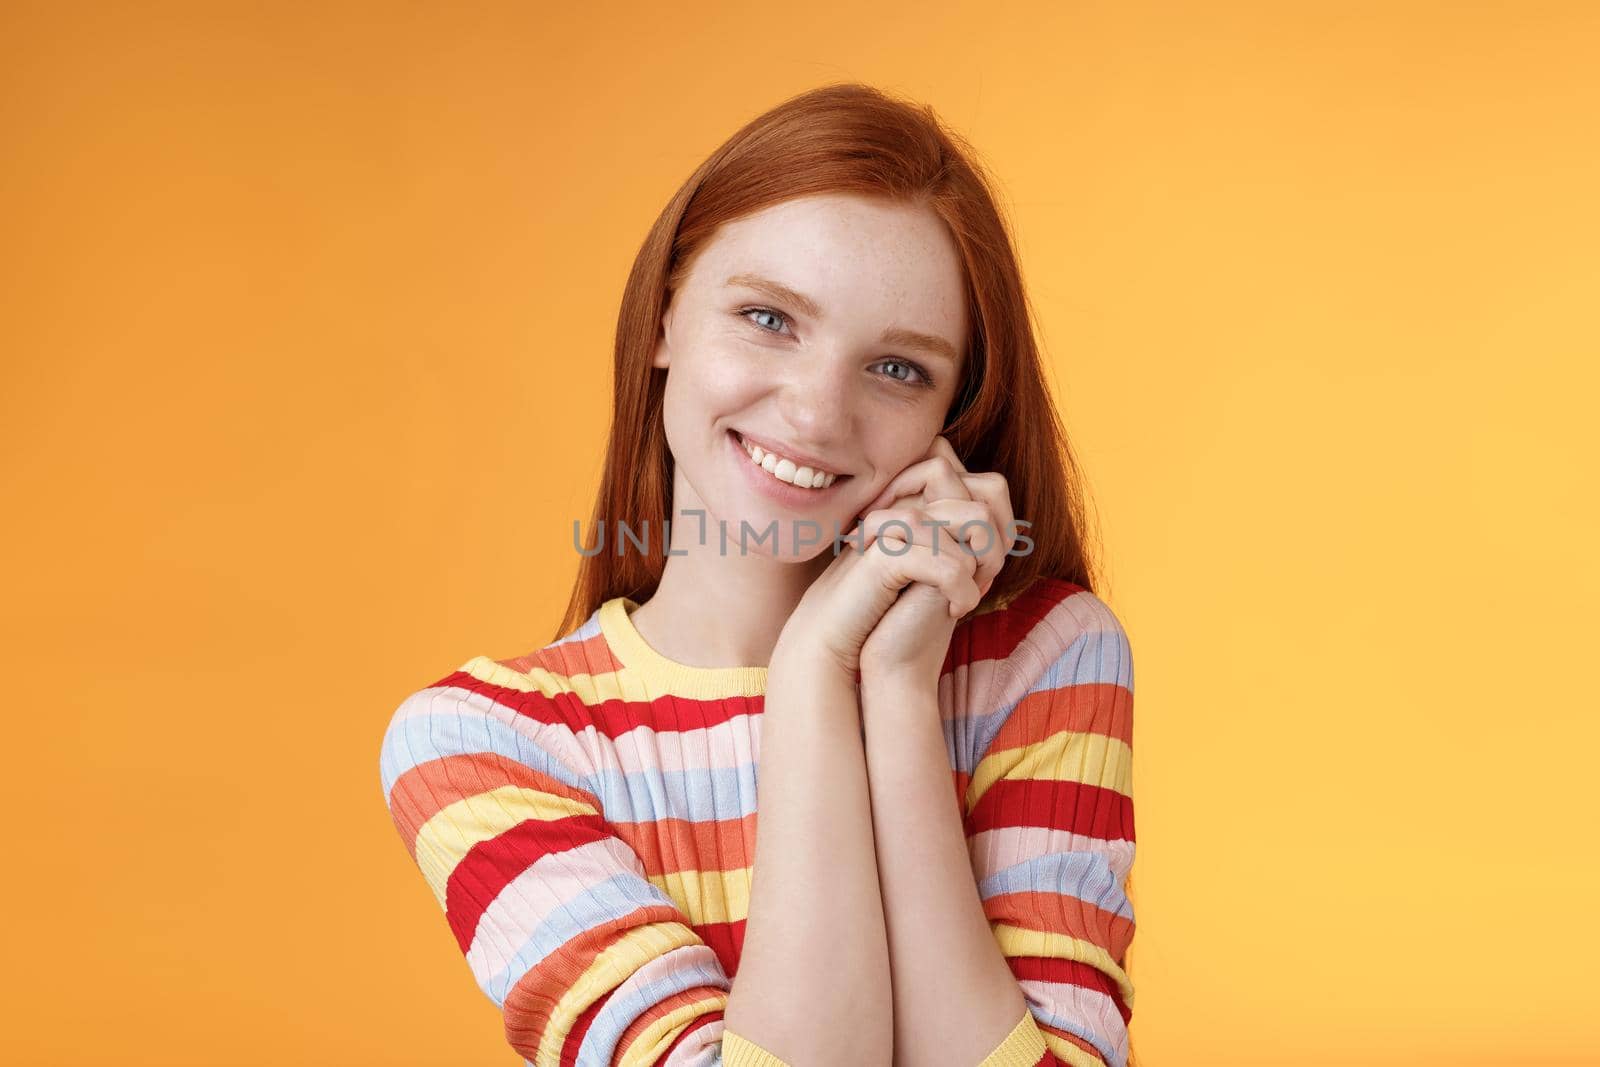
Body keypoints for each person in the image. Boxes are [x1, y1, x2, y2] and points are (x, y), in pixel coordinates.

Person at [378, 82, 1137, 1067]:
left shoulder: (1042, 658)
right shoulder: (484, 743)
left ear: (953, 416)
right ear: (662, 317)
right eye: (768, 318)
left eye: (898, 367)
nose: (818, 413)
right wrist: (817, 667)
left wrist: (893, 688)